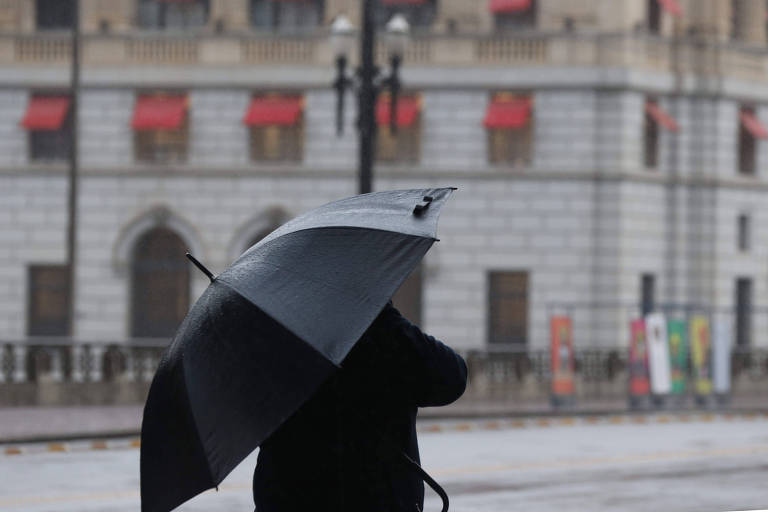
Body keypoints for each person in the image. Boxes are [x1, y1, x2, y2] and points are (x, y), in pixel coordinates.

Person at [253, 302, 468, 512]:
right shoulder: (379, 329)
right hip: (375, 497)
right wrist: (381, 311)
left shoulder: (264, 328)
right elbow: (451, 378)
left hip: (286, 497)